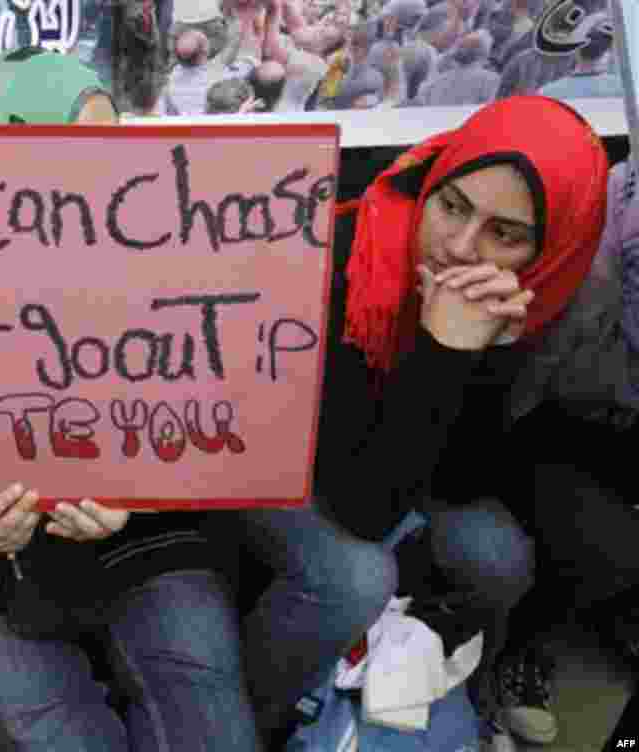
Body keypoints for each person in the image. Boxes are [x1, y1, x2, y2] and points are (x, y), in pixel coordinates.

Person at [0, 47, 263, 752]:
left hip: (138, 548)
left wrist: (145, 491)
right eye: (68, 154)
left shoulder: (168, 257)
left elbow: (204, 433)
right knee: (48, 726)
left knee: (206, 698)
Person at [203, 95, 610, 750]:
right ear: (432, 183)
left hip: (392, 456)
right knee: (353, 577)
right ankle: (251, 721)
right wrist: (443, 352)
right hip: (272, 455)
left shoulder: (537, 299)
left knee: (501, 555)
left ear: (547, 250)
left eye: (504, 234)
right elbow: (360, 506)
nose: (459, 246)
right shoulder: (345, 256)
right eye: (451, 205)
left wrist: (487, 356)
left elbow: (463, 479)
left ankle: (458, 684)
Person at [487, 150, 639, 746]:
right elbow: (532, 382)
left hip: (614, 416)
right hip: (549, 416)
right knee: (605, 548)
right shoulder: (602, 217)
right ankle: (520, 649)